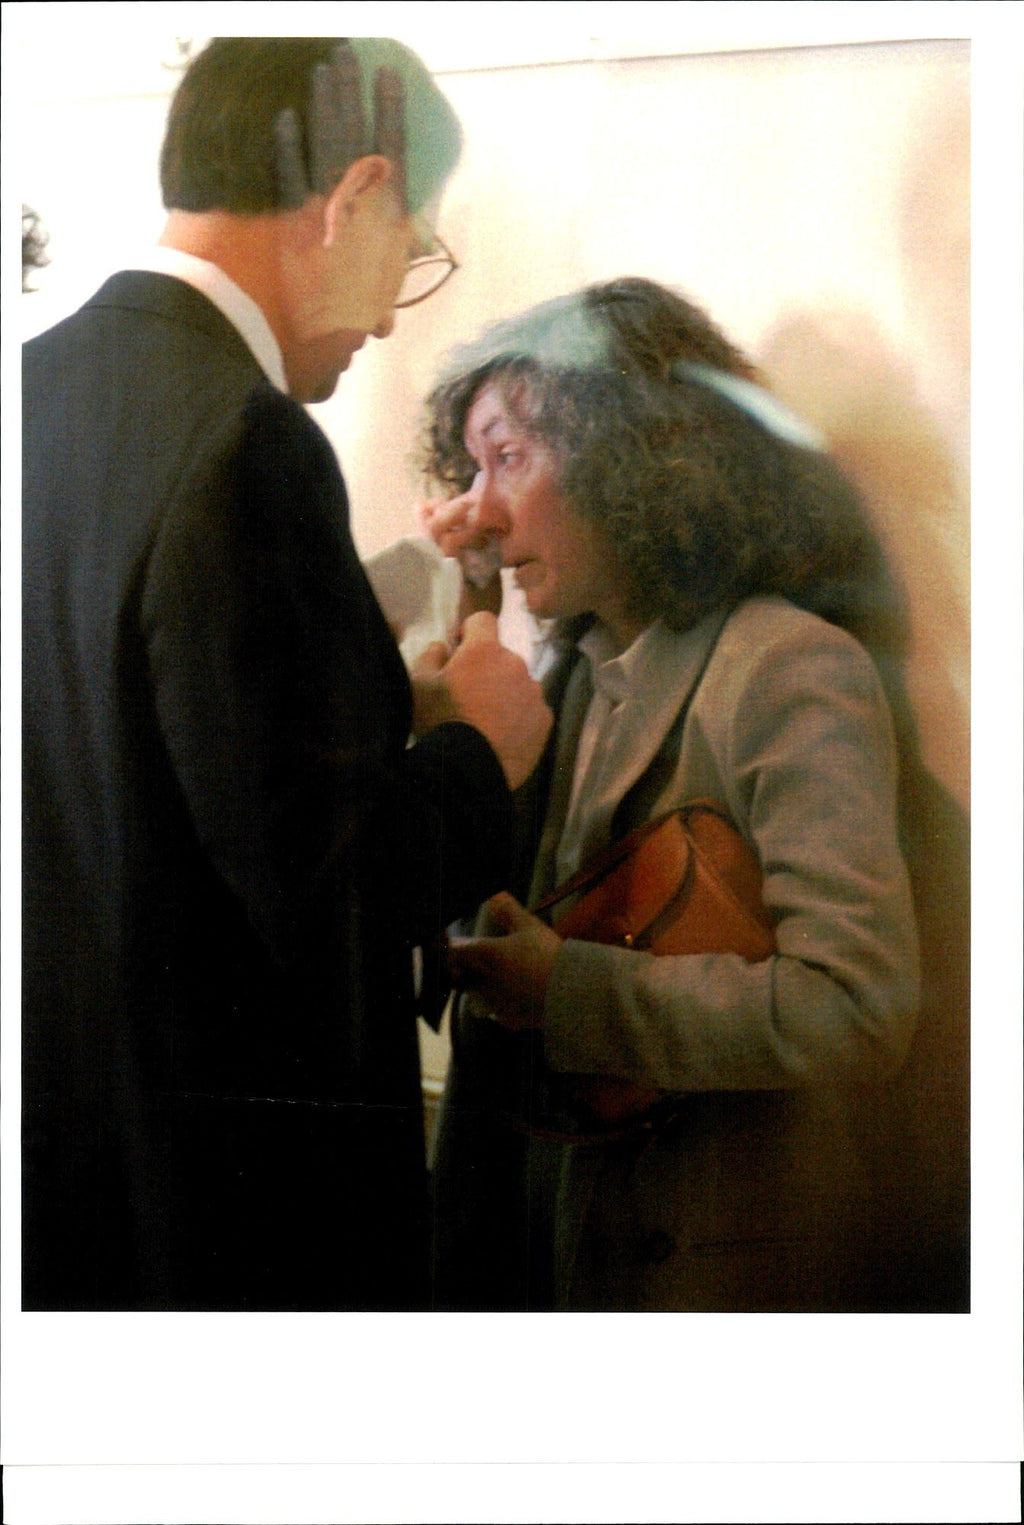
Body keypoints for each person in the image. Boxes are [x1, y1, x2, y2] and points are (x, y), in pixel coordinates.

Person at [21, 37, 551, 1312]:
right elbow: (330, 898)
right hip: (229, 1216)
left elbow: (132, 741)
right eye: (410, 247)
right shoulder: (245, 440)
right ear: (356, 194)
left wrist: (384, 705)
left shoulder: (31, 387)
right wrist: (481, 747)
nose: (390, 317)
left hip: (62, 1173)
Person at [421, 278, 921, 1312]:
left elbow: (857, 1005)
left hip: (710, 1274)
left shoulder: (786, 667)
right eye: (471, 468)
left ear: (623, 453)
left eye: (508, 457)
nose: (479, 508)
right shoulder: (567, 671)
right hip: (552, 1243)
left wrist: (570, 993)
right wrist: (472, 604)